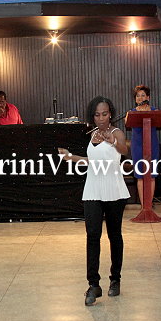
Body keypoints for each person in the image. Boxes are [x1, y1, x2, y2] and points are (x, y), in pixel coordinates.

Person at [58, 96, 130, 306]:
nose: (101, 118)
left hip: (114, 190)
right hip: (93, 189)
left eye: (104, 114)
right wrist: (70, 157)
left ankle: (115, 279)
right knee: (92, 236)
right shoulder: (92, 134)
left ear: (110, 114)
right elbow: (93, 161)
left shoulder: (116, 133)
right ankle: (93, 284)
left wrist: (113, 141)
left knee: (114, 236)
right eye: (97, 115)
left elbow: (124, 150)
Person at [128, 85, 160, 208]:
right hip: (137, 147)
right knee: (140, 177)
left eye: (143, 95)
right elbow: (128, 123)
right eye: (138, 96)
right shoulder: (131, 113)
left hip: (152, 146)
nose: (140, 98)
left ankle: (149, 205)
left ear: (148, 97)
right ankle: (143, 206)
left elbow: (159, 119)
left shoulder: (155, 111)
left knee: (151, 176)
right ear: (135, 99)